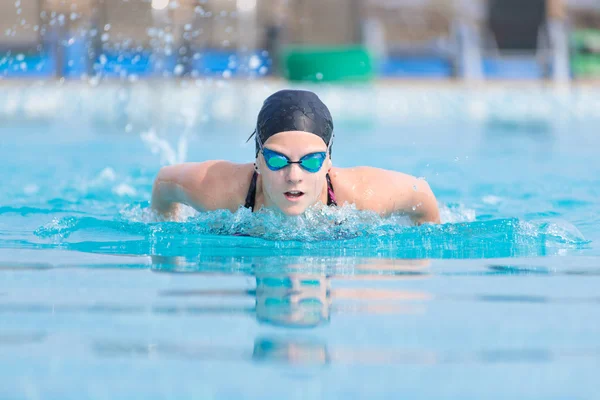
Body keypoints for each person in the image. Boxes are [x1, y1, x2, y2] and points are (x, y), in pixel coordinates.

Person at [151, 89, 440, 225]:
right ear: (258, 161)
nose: (294, 175)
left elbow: (422, 196)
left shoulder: (362, 196)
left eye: (311, 161)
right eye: (277, 160)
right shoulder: (219, 190)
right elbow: (165, 182)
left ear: (328, 161)